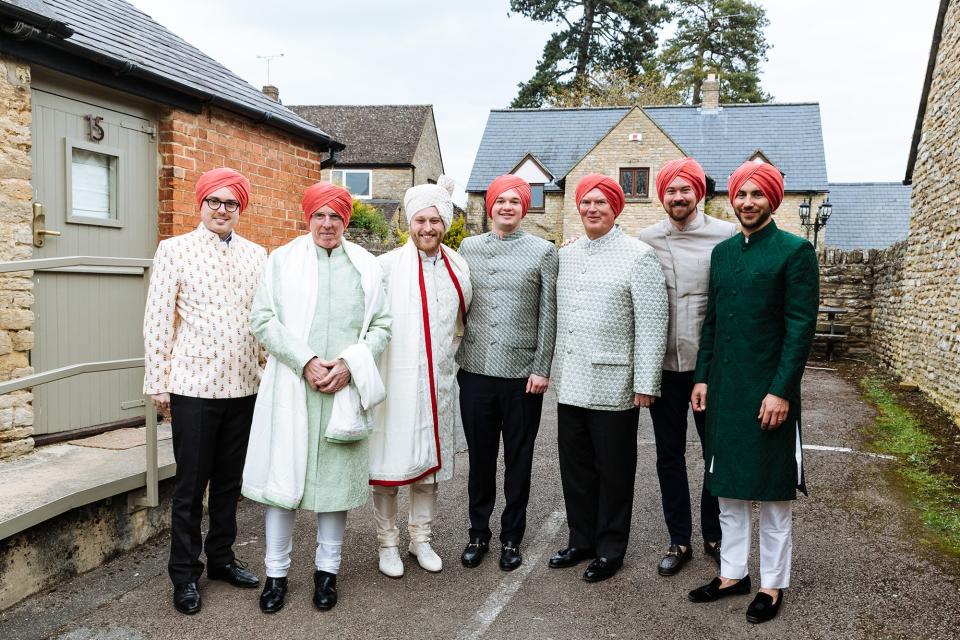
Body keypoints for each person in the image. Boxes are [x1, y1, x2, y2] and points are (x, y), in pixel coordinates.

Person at [242, 182, 391, 614]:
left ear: (346, 220)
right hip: (293, 386)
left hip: (343, 390)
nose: (328, 224)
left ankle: (327, 574)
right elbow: (263, 320)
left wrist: (349, 365)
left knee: (333, 490)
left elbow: (382, 325)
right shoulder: (282, 260)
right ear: (307, 218)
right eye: (320, 215)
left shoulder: (365, 265)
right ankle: (276, 575)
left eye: (336, 216)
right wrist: (304, 361)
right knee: (282, 487)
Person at [687, 161, 818, 624]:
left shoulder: (794, 251)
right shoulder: (722, 254)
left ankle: (771, 584)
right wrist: (702, 377)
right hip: (724, 392)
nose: (747, 203)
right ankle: (732, 574)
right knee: (728, 489)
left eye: (756, 195)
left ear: (772, 200)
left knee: (773, 493)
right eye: (741, 195)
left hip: (768, 393)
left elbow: (799, 329)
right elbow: (713, 323)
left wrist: (781, 391)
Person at [144, 167, 265, 615]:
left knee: (230, 484)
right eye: (213, 201)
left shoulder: (257, 254)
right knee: (190, 486)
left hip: (243, 384)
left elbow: (262, 319)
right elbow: (157, 319)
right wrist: (158, 382)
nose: (221, 210)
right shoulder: (174, 250)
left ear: (240, 208)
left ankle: (222, 559)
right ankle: (184, 574)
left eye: (230, 203)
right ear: (200, 205)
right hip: (193, 386)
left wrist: (267, 369)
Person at [550, 173, 668, 583]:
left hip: (615, 384)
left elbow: (653, 324)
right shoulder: (565, 255)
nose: (593, 209)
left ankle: (610, 547)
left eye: (602, 202)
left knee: (614, 471)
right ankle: (580, 540)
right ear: (578, 207)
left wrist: (646, 383)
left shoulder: (639, 255)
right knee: (576, 469)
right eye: (586, 202)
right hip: (571, 381)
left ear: (616, 208)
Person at [369, 176, 472, 578]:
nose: (427, 228)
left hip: (437, 382)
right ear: (408, 224)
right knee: (391, 464)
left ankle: (421, 538)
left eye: (435, 221)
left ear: (445, 224)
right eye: (420, 221)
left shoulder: (458, 266)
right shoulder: (386, 266)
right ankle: (387, 543)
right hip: (394, 381)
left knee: (428, 465)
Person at [639, 158, 736, 576]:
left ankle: (714, 533)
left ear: (699, 192)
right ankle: (679, 539)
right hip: (662, 367)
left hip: (707, 368)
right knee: (668, 455)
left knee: (715, 453)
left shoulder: (726, 235)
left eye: (685, 190)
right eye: (670, 191)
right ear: (662, 195)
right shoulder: (645, 239)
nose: (678, 197)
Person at [456, 174, 558, 571]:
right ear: (490, 206)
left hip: (522, 376)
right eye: (501, 201)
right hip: (476, 370)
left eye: (516, 202)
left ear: (525, 207)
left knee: (519, 459)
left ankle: (511, 536)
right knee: (480, 459)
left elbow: (548, 312)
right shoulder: (468, 247)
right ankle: (477, 533)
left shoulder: (542, 251)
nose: (507, 208)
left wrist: (541, 367)